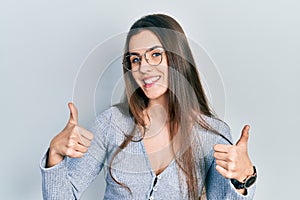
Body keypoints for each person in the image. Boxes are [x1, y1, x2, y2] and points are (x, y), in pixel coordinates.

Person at [40, 14, 257, 200]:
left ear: (178, 57)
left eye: (155, 55)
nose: (143, 67)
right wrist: (55, 155)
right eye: (135, 59)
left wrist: (244, 177)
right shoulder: (111, 124)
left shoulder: (212, 135)